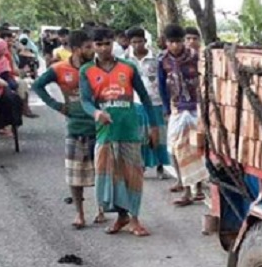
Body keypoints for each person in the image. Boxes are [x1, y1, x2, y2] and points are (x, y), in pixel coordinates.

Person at [80, 28, 158, 237]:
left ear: (113, 43)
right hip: (105, 132)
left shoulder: (128, 67)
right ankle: (121, 216)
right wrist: (97, 113)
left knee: (133, 176)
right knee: (109, 176)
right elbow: (85, 101)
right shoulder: (86, 70)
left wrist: (153, 127)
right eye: (99, 44)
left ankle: (134, 218)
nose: (103, 48)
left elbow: (145, 98)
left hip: (130, 130)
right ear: (93, 46)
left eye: (107, 43)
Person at [34, 30, 106, 228]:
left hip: (99, 126)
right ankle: (79, 213)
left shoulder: (98, 68)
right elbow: (38, 86)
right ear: (75, 49)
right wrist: (56, 105)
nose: (93, 51)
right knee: (75, 174)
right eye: (88, 47)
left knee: (102, 171)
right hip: (75, 126)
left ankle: (101, 209)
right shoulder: (59, 69)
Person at [158, 24, 208, 206]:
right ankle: (186, 188)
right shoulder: (163, 60)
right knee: (178, 148)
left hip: (196, 107)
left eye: (178, 41)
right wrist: (166, 109)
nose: (175, 46)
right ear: (166, 42)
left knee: (197, 147)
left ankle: (199, 188)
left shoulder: (195, 57)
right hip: (177, 108)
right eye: (172, 42)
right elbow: (162, 86)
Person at [128, 27, 170, 178]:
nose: (137, 45)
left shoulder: (157, 58)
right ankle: (141, 166)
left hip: (155, 101)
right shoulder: (126, 60)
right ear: (130, 43)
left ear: (145, 41)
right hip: (136, 102)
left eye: (140, 41)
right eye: (134, 42)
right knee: (139, 135)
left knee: (158, 135)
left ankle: (160, 166)